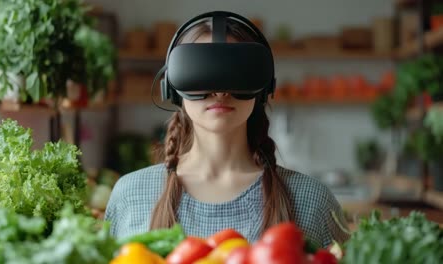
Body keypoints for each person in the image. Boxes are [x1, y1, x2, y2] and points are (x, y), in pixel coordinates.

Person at [105, 11, 350, 248]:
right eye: (202, 73)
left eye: (236, 75)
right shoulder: (130, 194)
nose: (220, 93)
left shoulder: (311, 200)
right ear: (172, 88)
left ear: (262, 88)